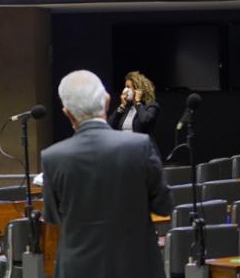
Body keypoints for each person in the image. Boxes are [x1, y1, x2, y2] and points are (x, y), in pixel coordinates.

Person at [41, 70, 172, 278]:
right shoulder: (141, 147)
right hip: (136, 267)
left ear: (67, 113)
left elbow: (52, 217)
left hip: (78, 270)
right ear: (108, 101)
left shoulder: (52, 158)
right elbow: (164, 206)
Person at [107, 71, 160, 138]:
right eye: (125, 87)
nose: (125, 90)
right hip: (125, 146)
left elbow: (145, 121)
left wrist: (137, 102)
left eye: (128, 87)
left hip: (142, 147)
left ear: (138, 89)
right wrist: (122, 105)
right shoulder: (126, 108)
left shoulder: (151, 106)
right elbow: (109, 125)